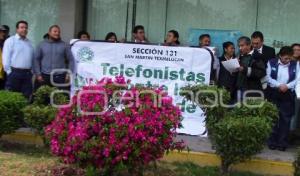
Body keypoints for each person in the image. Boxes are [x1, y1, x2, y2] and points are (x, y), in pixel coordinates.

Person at [267, 46, 298, 151]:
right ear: (280, 56)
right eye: (285, 58)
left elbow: (298, 79)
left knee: (285, 119)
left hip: (288, 94)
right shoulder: (271, 62)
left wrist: (287, 86)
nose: (287, 60)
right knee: (273, 118)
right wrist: (279, 85)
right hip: (274, 93)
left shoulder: (295, 64)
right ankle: (272, 142)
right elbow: (268, 77)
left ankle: (282, 143)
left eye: (289, 58)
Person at [33, 25, 74, 90]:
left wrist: (68, 74)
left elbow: (71, 60)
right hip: (45, 76)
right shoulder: (41, 44)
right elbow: (36, 60)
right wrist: (38, 74)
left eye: (58, 32)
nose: (57, 33)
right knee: (43, 97)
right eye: (55, 31)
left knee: (61, 97)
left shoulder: (64, 45)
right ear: (49, 32)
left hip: (60, 76)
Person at [3, 21, 34, 99]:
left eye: (26, 28)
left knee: (26, 97)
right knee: (12, 97)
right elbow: (6, 58)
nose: (24, 29)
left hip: (27, 74)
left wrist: (32, 72)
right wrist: (9, 72)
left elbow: (32, 58)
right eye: (22, 27)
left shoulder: (29, 42)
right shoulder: (10, 41)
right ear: (17, 29)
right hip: (14, 73)